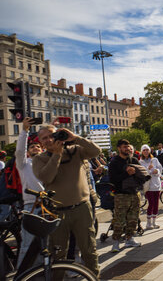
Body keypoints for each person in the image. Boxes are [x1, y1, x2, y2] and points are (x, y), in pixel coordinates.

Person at [32, 125, 100, 277]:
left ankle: (94, 277)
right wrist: (56, 155)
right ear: (40, 142)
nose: (49, 140)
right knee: (58, 254)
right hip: (57, 212)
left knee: (89, 250)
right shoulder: (39, 159)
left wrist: (75, 138)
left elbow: (96, 151)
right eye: (44, 138)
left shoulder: (75, 151)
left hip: (81, 208)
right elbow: (47, 177)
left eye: (52, 135)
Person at [15, 117, 45, 267]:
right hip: (30, 206)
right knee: (27, 244)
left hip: (47, 207)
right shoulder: (24, 164)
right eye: (32, 147)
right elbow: (20, 150)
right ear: (28, 152)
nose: (35, 148)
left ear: (42, 150)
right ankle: (23, 274)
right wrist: (24, 131)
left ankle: (42, 272)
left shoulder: (48, 164)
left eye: (37, 147)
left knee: (46, 244)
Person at [108, 139, 142, 252]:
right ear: (119, 148)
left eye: (128, 146)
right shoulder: (114, 162)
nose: (127, 149)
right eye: (124, 147)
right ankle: (116, 242)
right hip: (121, 195)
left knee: (133, 219)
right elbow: (113, 180)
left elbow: (141, 175)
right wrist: (126, 173)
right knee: (120, 220)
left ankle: (129, 239)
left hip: (134, 193)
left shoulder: (134, 160)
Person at [139, 144, 163, 229]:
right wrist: (149, 170)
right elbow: (142, 174)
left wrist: (156, 170)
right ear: (142, 152)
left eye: (147, 150)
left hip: (156, 184)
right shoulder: (140, 162)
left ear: (150, 151)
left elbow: (160, 169)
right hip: (148, 186)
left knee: (156, 204)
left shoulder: (155, 160)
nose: (146, 151)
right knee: (151, 203)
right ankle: (148, 223)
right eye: (144, 150)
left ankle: (154, 222)